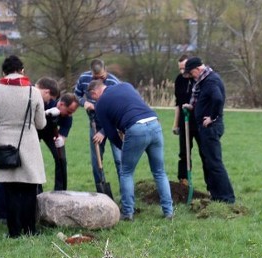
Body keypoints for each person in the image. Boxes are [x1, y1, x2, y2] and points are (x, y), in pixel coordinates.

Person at [88, 79, 173, 221]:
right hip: (154, 123)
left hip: (136, 129)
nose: (93, 100)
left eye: (93, 97)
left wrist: (124, 147)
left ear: (94, 92)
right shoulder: (126, 85)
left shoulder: (101, 104)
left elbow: (110, 132)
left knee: (126, 172)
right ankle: (168, 211)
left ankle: (127, 212)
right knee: (159, 172)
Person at [0, 55, 47, 238]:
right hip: (28, 142)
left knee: (10, 191)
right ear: (22, 70)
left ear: (4, 72)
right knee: (29, 190)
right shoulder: (33, 92)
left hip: (5, 143)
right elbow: (41, 123)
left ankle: (14, 232)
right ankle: (30, 230)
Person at [182, 56, 235, 204]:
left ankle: (227, 198)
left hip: (211, 128)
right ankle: (216, 195)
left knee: (214, 163)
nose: (191, 76)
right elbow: (206, 101)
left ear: (198, 69)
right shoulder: (204, 81)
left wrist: (212, 117)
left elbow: (218, 99)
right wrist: (192, 107)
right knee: (209, 162)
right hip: (206, 128)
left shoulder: (211, 81)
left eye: (191, 73)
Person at [73, 59, 121, 197]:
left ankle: (125, 195)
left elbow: (116, 112)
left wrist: (104, 132)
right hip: (94, 123)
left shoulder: (113, 82)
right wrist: (84, 102)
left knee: (119, 160)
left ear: (105, 70)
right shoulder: (84, 78)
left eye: (100, 77)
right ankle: (101, 192)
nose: (97, 79)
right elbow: (76, 94)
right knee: (96, 162)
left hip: (113, 125)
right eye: (95, 77)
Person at [36, 77, 79, 191]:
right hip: (35, 131)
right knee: (35, 160)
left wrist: (61, 139)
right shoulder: (46, 102)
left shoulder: (68, 117)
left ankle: (60, 190)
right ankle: (36, 190)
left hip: (51, 134)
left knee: (61, 159)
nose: (69, 115)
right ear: (61, 104)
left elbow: (63, 132)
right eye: (69, 111)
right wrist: (45, 113)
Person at [171, 54, 197, 186]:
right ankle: (184, 181)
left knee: (206, 154)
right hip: (184, 121)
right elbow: (178, 104)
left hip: (198, 121)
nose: (182, 72)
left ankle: (211, 186)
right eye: (180, 69)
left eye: (184, 68)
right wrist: (175, 124)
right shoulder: (179, 80)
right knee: (184, 153)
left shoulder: (199, 79)